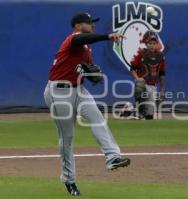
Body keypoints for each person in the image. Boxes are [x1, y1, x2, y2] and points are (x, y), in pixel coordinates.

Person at [43, 12, 130, 196]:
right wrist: (108, 36)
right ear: (77, 26)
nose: (93, 25)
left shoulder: (87, 48)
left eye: (92, 22)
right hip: (59, 92)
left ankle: (112, 156)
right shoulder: (73, 39)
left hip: (80, 90)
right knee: (67, 137)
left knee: (98, 118)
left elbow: (88, 71)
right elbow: (82, 38)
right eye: (89, 22)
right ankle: (69, 180)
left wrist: (92, 75)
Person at [130, 30, 166, 120]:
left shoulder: (160, 56)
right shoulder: (140, 53)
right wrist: (137, 78)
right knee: (139, 86)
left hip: (153, 86)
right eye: (150, 43)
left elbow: (162, 73)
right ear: (146, 43)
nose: (152, 45)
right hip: (143, 84)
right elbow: (132, 69)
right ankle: (139, 111)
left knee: (149, 116)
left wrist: (162, 90)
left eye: (154, 43)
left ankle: (129, 110)